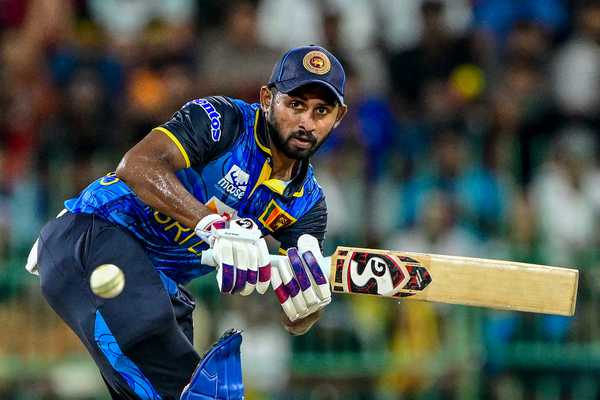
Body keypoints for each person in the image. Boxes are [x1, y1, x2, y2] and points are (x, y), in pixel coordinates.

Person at [26, 45, 347, 399]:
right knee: (192, 382)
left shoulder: (307, 205)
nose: (306, 123)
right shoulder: (225, 122)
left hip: (160, 290)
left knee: (182, 380)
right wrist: (214, 226)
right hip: (92, 238)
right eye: (296, 105)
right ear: (267, 98)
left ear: (339, 117)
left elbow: (295, 321)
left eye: (321, 111)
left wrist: (308, 304)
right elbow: (137, 165)